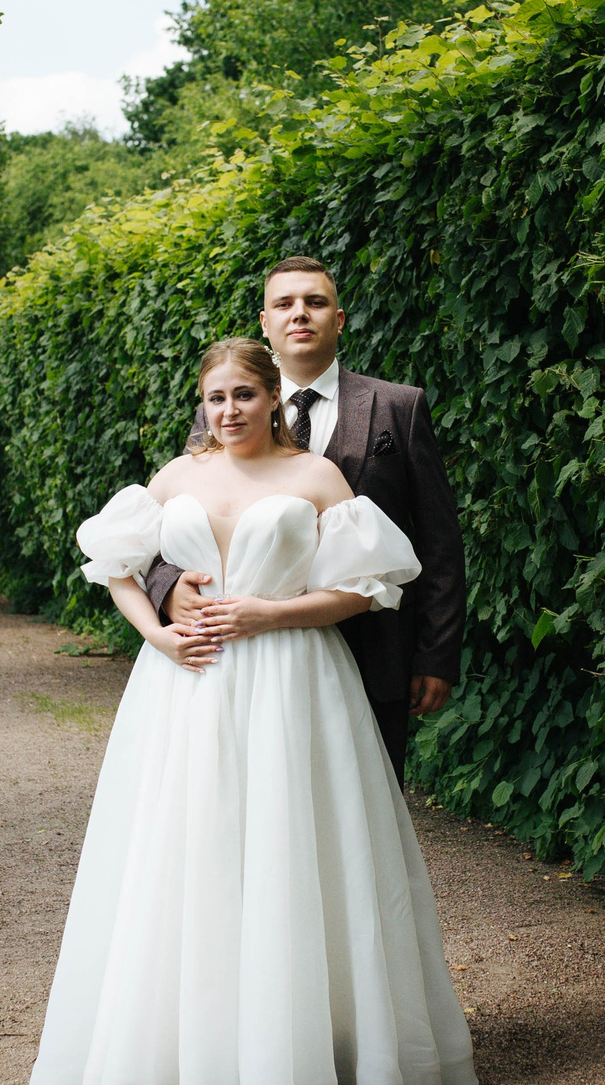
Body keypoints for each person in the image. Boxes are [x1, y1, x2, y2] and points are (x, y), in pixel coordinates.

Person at [28, 337, 477, 1085]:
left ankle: (319, 1046)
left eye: (243, 395)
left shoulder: (317, 476)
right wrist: (157, 635)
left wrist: (273, 613)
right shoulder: (175, 477)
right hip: (185, 684)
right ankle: (188, 1051)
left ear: (273, 398)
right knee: (188, 851)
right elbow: (117, 568)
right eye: (215, 398)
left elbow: (365, 588)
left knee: (295, 847)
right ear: (201, 405)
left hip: (295, 678)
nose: (228, 411)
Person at [146, 256, 465, 780]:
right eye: (284, 304)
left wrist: (436, 655)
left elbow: (439, 540)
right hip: (244, 655)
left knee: (359, 800)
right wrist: (169, 585)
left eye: (315, 302)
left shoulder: (398, 407)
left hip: (375, 648)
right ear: (265, 322)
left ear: (337, 320)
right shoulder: (223, 411)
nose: (299, 314)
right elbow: (182, 522)